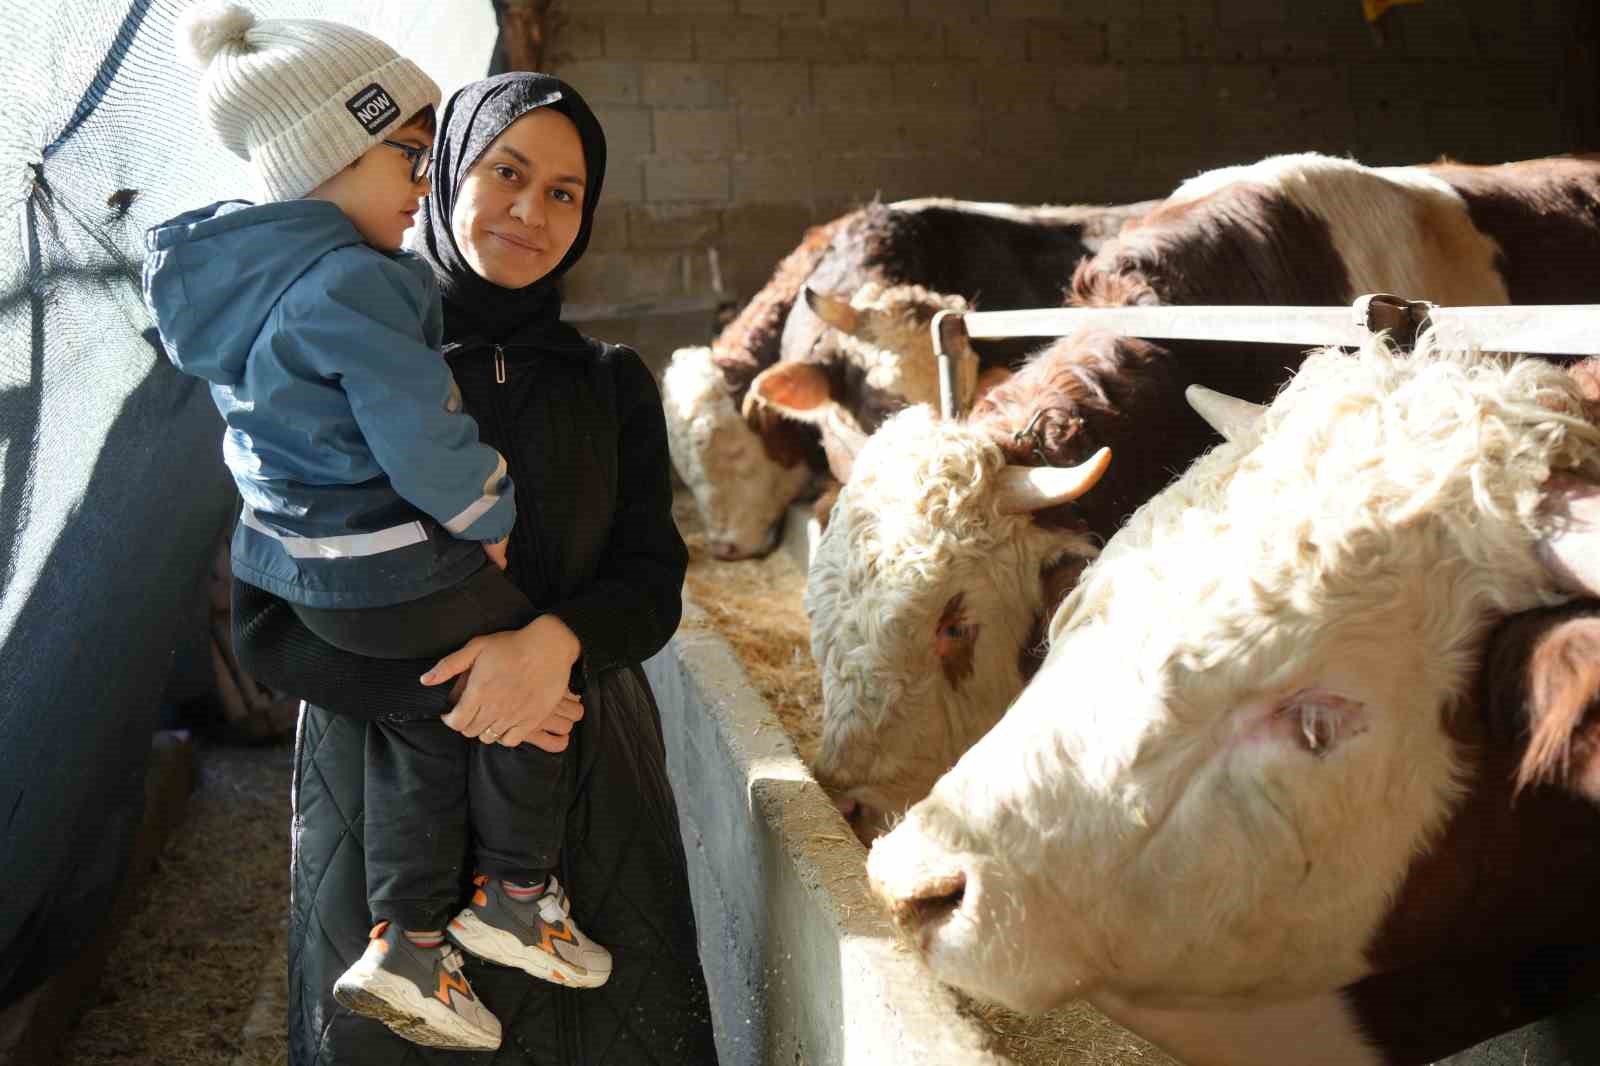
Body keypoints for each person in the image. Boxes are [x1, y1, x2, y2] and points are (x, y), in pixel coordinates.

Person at [142, 7, 611, 1053]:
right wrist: (488, 509)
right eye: (419, 152)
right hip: (390, 571)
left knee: (426, 727)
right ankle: (517, 891)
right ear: (330, 152)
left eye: (566, 190)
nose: (422, 178)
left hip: (321, 578)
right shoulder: (356, 283)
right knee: (528, 705)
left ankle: (408, 942)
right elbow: (418, 429)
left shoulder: (255, 294)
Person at [228, 71, 719, 1065]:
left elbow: (649, 577)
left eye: (564, 192)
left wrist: (552, 647)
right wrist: (454, 692)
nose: (530, 211)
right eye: (506, 171)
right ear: (443, 173)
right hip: (381, 779)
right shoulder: (327, 353)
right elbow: (265, 624)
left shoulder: (610, 384)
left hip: (580, 773)